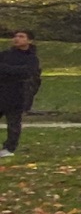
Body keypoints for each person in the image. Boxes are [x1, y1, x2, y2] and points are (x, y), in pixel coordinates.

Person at [0, 30, 42, 158]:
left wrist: (5, 69)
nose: (16, 39)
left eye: (21, 36)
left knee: (13, 122)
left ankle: (9, 148)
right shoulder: (5, 54)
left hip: (18, 93)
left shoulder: (31, 58)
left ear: (29, 41)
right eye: (15, 36)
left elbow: (26, 72)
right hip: (1, 89)